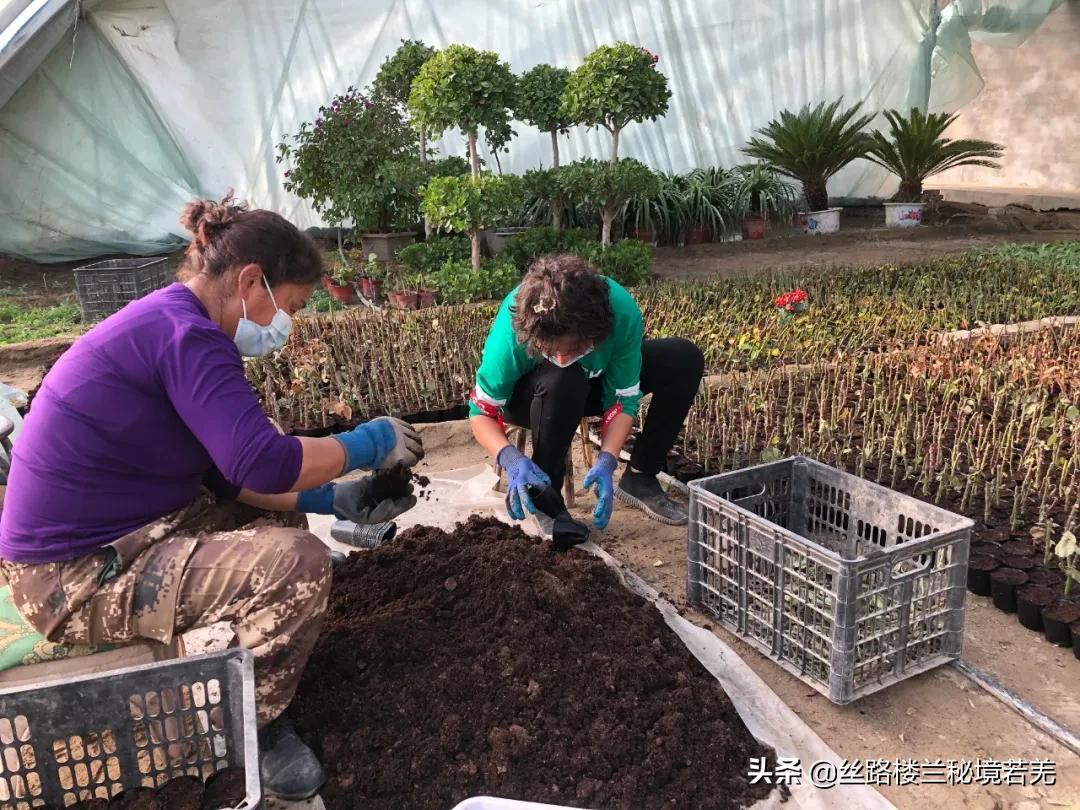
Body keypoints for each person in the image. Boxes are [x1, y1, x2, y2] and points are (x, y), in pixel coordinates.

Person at [0, 195, 423, 801]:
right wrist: (366, 441)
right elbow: (264, 461)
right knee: (297, 564)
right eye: (292, 305)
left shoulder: (174, 325)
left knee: (281, 522)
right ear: (252, 281)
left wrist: (334, 498)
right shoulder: (186, 336)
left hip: (117, 533)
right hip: (72, 579)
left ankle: (253, 626)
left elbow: (227, 475)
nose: (288, 324)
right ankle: (253, 723)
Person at [469, 253, 704, 537]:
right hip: (530, 398)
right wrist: (510, 458)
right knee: (563, 376)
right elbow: (482, 412)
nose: (561, 356)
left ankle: (640, 478)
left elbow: (622, 400)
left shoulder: (620, 313)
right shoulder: (515, 326)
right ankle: (547, 497)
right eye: (551, 350)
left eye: (571, 349)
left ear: (595, 332)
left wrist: (607, 459)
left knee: (683, 358)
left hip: (591, 383)